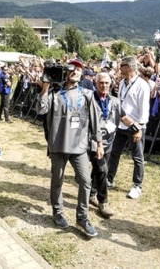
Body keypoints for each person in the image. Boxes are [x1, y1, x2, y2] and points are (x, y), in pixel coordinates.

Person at [36, 59, 103, 238]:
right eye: (72, 69)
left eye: (79, 70)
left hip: (79, 147)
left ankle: (82, 217)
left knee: (85, 180)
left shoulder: (87, 94)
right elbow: (41, 110)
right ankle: (57, 212)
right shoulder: (54, 93)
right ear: (66, 73)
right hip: (58, 146)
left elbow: (96, 120)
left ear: (82, 75)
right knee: (57, 180)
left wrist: (99, 142)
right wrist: (45, 85)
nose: (75, 72)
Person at [89, 72, 135, 218]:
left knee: (99, 169)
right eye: (101, 83)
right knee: (102, 169)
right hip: (94, 141)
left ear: (111, 84)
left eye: (107, 83)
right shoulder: (89, 100)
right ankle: (103, 201)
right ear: (96, 84)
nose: (104, 85)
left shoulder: (115, 101)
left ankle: (91, 193)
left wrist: (137, 129)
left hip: (109, 141)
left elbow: (124, 117)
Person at [107, 56, 150, 199]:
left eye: (122, 66)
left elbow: (144, 109)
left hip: (135, 126)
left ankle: (137, 186)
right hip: (121, 124)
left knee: (137, 157)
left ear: (129, 67)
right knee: (114, 153)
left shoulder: (142, 85)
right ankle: (109, 178)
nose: (119, 68)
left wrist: (140, 128)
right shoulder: (124, 83)